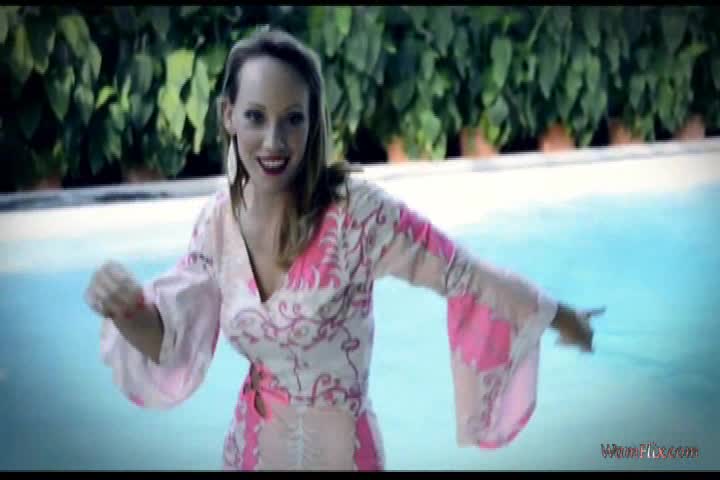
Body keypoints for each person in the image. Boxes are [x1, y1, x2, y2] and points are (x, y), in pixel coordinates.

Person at [84, 28, 605, 471]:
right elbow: (173, 343)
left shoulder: (358, 216)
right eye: (256, 117)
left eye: (293, 119)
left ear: (313, 122)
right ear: (228, 116)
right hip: (250, 452)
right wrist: (128, 309)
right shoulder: (217, 223)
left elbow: (463, 273)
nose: (274, 141)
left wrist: (560, 316)